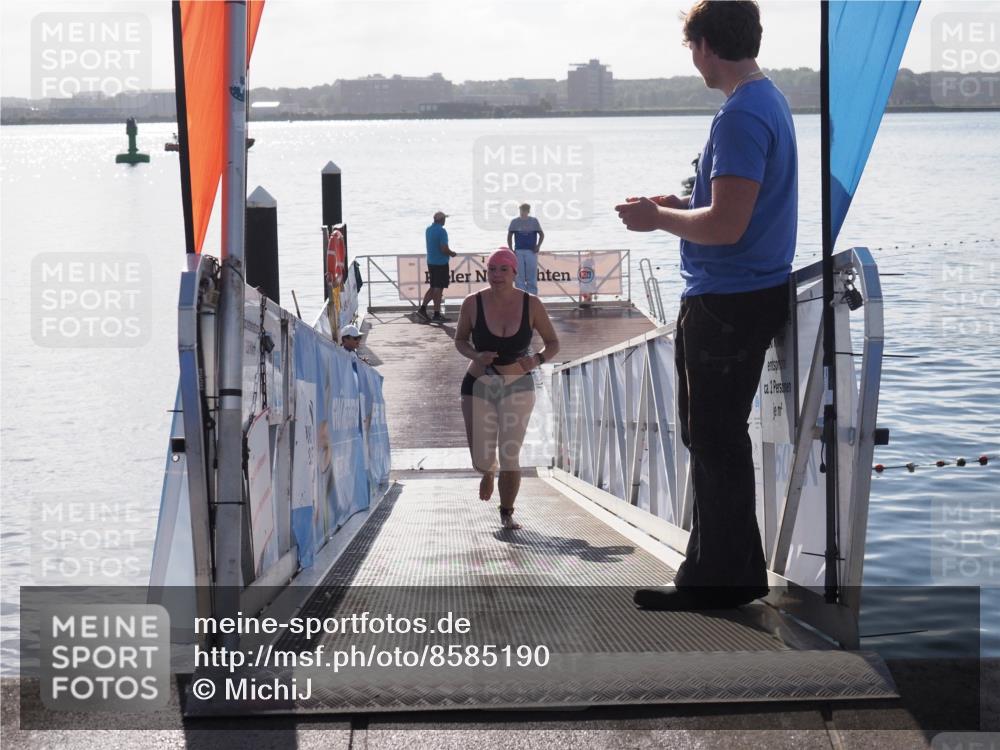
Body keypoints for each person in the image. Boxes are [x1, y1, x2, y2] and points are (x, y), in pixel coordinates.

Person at [615, 0, 796, 611]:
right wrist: (680, 199)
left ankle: (716, 582)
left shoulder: (741, 114)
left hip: (727, 300)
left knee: (713, 439)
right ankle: (731, 571)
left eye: (692, 48)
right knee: (716, 438)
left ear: (707, 46)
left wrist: (655, 218)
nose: (692, 60)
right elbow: (731, 203)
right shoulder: (767, 101)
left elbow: (726, 226)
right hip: (746, 293)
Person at [454, 247, 559, 530]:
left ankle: (507, 512)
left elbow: (553, 343)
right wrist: (476, 355)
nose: (496, 275)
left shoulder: (531, 304)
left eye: (503, 269)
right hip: (479, 383)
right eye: (491, 269)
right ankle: (487, 472)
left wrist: (535, 360)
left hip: (517, 384)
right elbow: (460, 340)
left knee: (510, 452)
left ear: (515, 272)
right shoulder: (472, 303)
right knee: (482, 456)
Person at [420, 211, 457, 322]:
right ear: (441, 220)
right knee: (438, 289)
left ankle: (422, 309)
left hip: (431, 262)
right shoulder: (442, 231)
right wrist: (452, 253)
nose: (445, 220)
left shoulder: (428, 229)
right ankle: (436, 314)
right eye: (444, 218)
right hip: (440, 263)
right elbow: (444, 249)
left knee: (433, 287)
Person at [506, 204, 544, 295]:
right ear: (520, 211)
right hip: (518, 250)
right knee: (519, 276)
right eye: (522, 210)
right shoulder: (515, 221)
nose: (523, 212)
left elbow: (541, 234)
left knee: (532, 275)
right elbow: (509, 236)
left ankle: (533, 296)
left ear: (528, 211)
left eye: (525, 210)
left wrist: (538, 246)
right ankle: (520, 296)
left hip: (531, 251)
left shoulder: (534, 221)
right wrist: (511, 249)